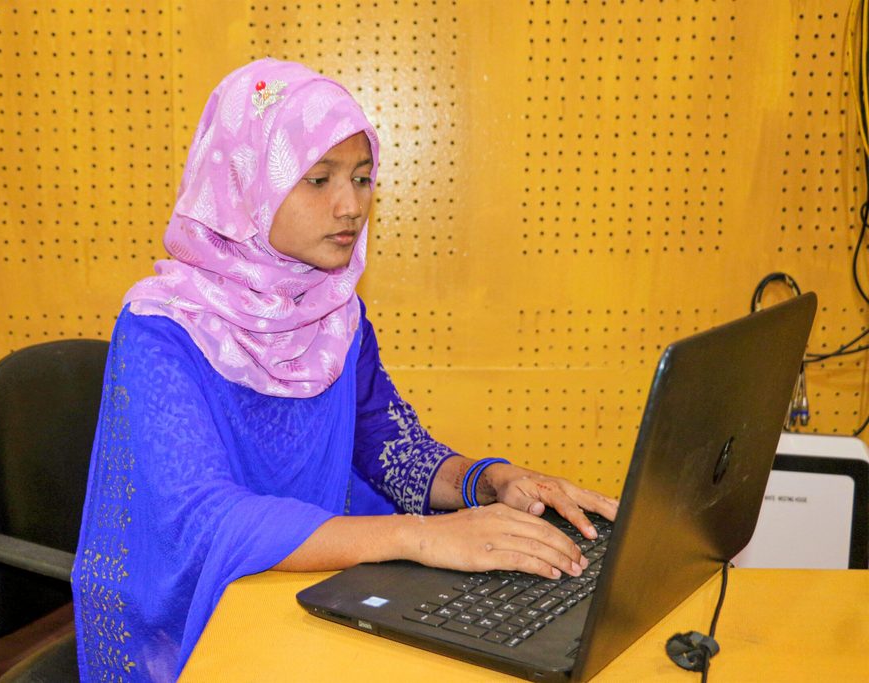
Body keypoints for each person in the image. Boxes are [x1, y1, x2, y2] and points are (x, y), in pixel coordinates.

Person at [72, 58, 618, 681]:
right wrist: (421, 537)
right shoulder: (160, 327)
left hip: (304, 592)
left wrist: (493, 482)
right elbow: (205, 519)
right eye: (317, 179)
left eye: (361, 178)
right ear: (244, 184)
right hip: (193, 622)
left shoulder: (336, 315)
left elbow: (389, 448)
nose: (350, 206)